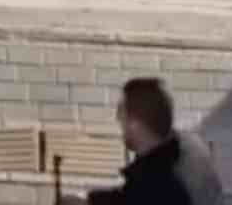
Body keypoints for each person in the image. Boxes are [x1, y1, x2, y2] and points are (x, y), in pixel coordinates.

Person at [86, 79, 223, 205]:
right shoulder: (173, 155)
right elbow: (131, 197)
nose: (117, 119)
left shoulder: (158, 181)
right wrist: (89, 201)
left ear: (135, 123)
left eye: (121, 113)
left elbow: (142, 196)